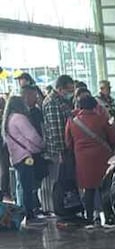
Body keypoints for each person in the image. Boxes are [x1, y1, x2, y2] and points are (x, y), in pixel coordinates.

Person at [65, 94, 115, 226]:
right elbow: (113, 138)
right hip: (102, 157)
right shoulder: (101, 119)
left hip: (82, 159)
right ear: (95, 106)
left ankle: (89, 216)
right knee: (105, 188)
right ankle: (108, 216)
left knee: (88, 190)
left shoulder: (72, 121)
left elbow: (68, 142)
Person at [2, 95, 47, 227]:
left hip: (16, 157)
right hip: (26, 157)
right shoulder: (19, 118)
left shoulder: (8, 119)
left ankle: (26, 212)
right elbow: (31, 135)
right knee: (28, 187)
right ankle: (30, 215)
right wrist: (42, 144)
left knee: (23, 186)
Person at [40, 74, 76, 216]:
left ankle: (67, 207)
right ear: (60, 89)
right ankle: (61, 209)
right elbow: (56, 130)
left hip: (65, 148)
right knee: (59, 181)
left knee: (65, 180)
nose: (70, 93)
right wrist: (60, 153)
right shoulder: (52, 103)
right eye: (69, 90)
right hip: (59, 150)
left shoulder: (60, 100)